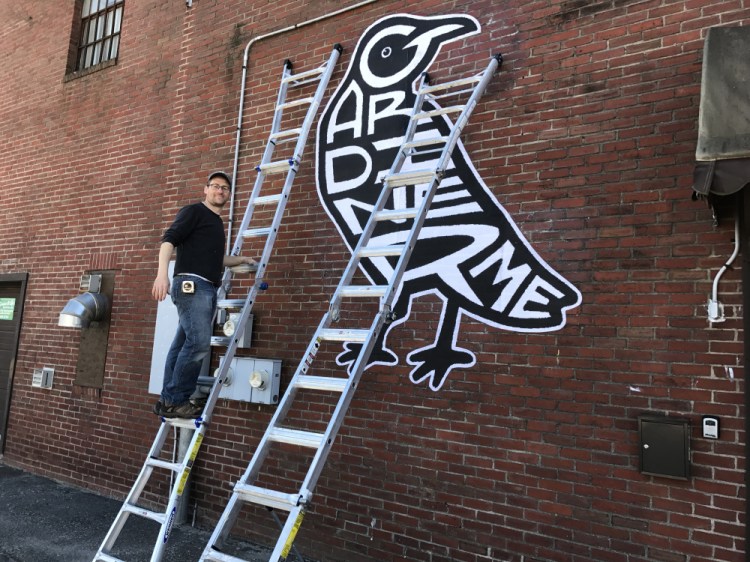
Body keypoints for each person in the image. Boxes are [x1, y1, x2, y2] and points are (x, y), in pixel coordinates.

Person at [151, 171, 256, 418]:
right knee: (198, 343)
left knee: (181, 345)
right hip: (192, 286)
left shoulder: (215, 222)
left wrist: (238, 259)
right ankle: (177, 400)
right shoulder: (194, 211)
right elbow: (169, 241)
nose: (220, 191)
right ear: (206, 190)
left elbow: (212, 259)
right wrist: (161, 274)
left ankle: (168, 400)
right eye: (216, 186)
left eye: (225, 189)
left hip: (205, 287)